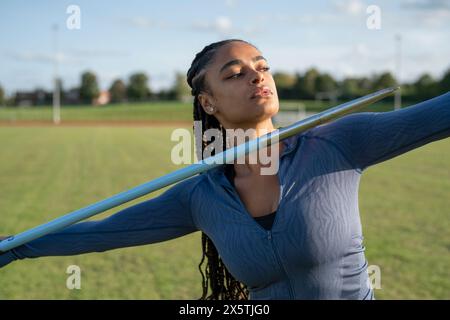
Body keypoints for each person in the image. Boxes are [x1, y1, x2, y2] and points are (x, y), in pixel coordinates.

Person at [1, 39, 449, 300]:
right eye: (235, 74)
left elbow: (437, 115)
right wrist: (13, 248)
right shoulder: (201, 196)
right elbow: (100, 232)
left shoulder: (338, 143)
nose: (258, 77)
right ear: (208, 102)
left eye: (262, 67)